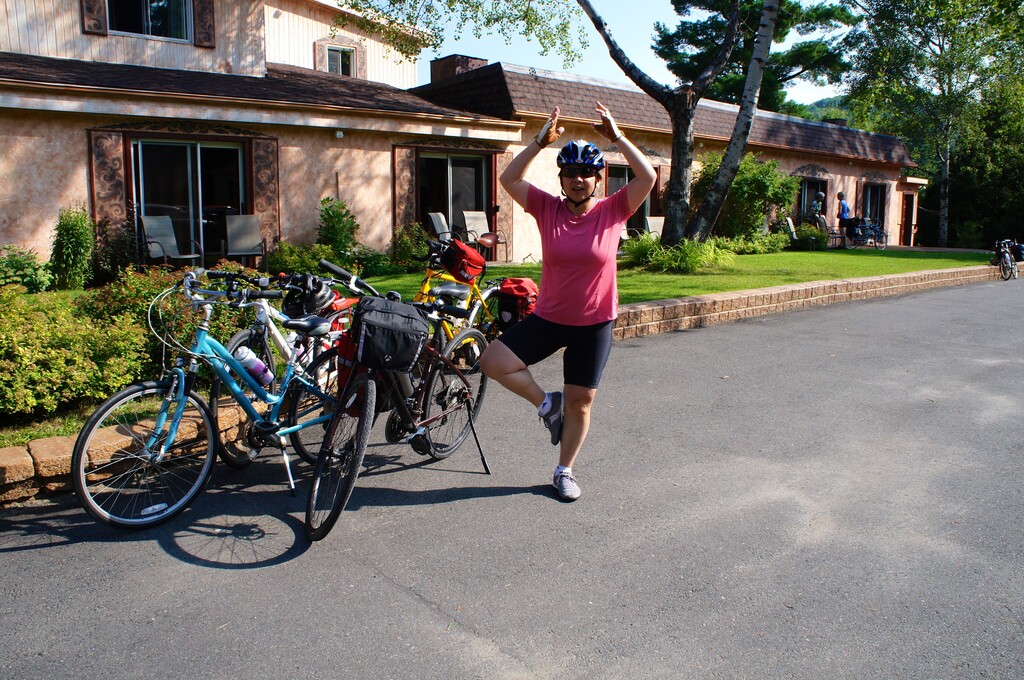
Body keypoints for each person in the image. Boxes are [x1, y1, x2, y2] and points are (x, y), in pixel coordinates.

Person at [479, 102, 656, 501]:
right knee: (493, 361)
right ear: (561, 178)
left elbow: (647, 176)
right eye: (570, 173)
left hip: (594, 324)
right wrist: (539, 141)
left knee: (581, 402)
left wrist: (617, 137)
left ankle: (564, 470)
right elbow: (508, 177)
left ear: (598, 178)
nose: (578, 180)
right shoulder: (547, 208)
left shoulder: (614, 209)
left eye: (586, 173)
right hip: (549, 318)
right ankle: (547, 406)